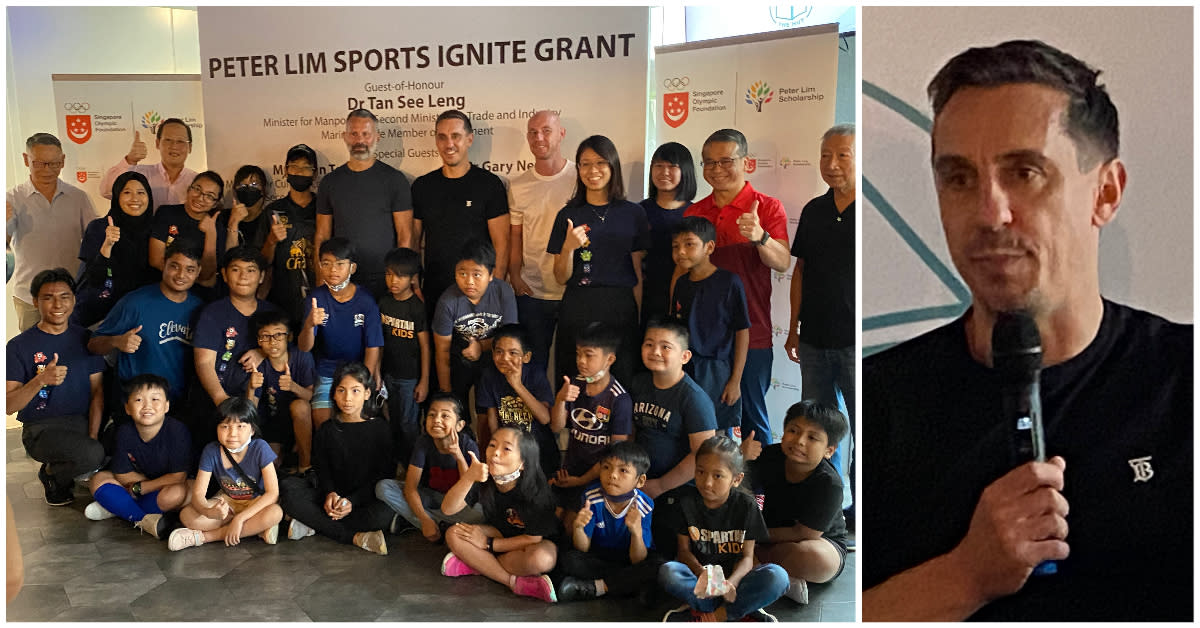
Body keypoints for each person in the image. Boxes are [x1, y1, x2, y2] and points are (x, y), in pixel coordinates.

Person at [862, 40, 1192, 621]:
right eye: (959, 178)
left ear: (1106, 192)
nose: (991, 213)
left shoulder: (1180, 380)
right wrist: (964, 575)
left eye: (1026, 173)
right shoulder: (875, 401)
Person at [685, 129, 790, 448]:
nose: (716, 169)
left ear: (748, 162)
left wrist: (759, 236)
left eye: (726, 161)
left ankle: (757, 494)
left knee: (752, 420)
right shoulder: (695, 212)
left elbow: (783, 262)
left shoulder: (767, 207)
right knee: (703, 419)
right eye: (709, 162)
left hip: (752, 333)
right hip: (703, 337)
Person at [784, 123, 857, 520]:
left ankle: (862, 512)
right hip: (814, 340)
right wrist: (793, 326)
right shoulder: (814, 210)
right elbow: (800, 271)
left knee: (865, 429)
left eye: (842, 154)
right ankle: (829, 511)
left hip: (855, 342)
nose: (831, 164)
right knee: (818, 432)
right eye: (826, 155)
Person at [547, 135, 650, 387]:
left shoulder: (633, 213)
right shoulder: (568, 214)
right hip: (579, 305)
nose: (593, 170)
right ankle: (576, 427)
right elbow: (560, 277)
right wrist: (569, 248)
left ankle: (621, 427)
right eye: (585, 164)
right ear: (578, 169)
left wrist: (639, 316)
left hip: (620, 307)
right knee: (576, 377)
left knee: (622, 376)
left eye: (601, 163)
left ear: (613, 166)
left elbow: (637, 271)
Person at [658, 436, 788, 622]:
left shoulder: (747, 506)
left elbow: (747, 557)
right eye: (701, 472)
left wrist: (731, 583)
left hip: (736, 583)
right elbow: (683, 552)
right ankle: (733, 610)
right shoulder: (685, 502)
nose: (707, 482)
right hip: (700, 581)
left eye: (717, 475)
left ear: (736, 479)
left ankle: (718, 614)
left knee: (778, 577)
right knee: (668, 572)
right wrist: (701, 573)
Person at [6, 269, 106, 505]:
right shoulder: (19, 346)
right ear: (35, 302)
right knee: (93, 455)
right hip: (41, 429)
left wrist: (92, 437)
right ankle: (51, 474)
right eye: (48, 298)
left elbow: (97, 393)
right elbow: (9, 405)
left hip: (80, 422)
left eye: (64, 296)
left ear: (74, 299)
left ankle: (71, 472)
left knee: (107, 447)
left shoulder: (86, 339)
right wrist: (40, 379)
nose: (57, 304)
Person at [279, 362, 395, 555]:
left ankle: (315, 524)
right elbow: (322, 470)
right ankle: (355, 537)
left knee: (384, 512)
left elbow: (383, 476)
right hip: (331, 500)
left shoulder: (380, 429)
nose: (347, 398)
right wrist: (330, 494)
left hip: (363, 500)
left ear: (367, 393)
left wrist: (352, 501)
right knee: (289, 491)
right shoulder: (327, 429)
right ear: (333, 393)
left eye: (355, 391)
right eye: (341, 390)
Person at [741, 400, 850, 605]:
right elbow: (734, 486)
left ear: (829, 450)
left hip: (817, 542)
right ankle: (778, 577)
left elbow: (804, 534)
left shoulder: (829, 483)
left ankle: (760, 568)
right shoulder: (770, 456)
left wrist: (752, 537)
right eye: (793, 430)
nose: (799, 441)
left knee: (815, 559)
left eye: (812, 437)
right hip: (769, 536)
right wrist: (740, 457)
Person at [440, 426, 560, 603]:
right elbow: (448, 509)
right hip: (498, 536)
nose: (495, 453)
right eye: (492, 445)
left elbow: (533, 539)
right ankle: (511, 581)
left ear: (523, 462)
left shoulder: (536, 491)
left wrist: (488, 545)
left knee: (543, 559)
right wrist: (468, 478)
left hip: (530, 545)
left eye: (506, 449)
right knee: (453, 533)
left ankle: (479, 563)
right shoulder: (484, 476)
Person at [412, 109, 511, 319]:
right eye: (442, 137)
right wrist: (412, 277)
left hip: (479, 291)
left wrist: (496, 286)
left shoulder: (490, 185)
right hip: (434, 289)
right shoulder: (422, 186)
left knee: (477, 351)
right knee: (439, 350)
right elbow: (413, 240)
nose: (449, 144)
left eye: (455, 136)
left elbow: (501, 243)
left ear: (469, 139)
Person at [630, 318, 716, 555]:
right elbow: (631, 433)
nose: (655, 352)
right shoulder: (639, 383)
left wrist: (659, 486)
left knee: (660, 552)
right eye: (649, 344)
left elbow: (704, 456)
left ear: (684, 357)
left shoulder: (694, 399)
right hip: (638, 482)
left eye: (665, 347)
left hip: (676, 492)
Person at [314, 109, 413, 299]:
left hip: (385, 281)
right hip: (341, 279)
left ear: (377, 137)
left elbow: (405, 236)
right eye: (354, 134)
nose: (360, 140)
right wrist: (321, 279)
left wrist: (401, 280)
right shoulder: (330, 182)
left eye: (366, 134)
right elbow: (321, 236)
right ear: (345, 137)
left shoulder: (394, 180)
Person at [89, 242, 204, 404]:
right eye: (174, 266)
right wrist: (116, 341)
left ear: (198, 272)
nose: (181, 275)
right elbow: (93, 345)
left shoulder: (200, 309)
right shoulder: (135, 302)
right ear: (163, 264)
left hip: (179, 404)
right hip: (136, 403)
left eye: (190, 269)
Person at [84, 374, 192, 540]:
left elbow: (178, 477)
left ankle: (118, 507)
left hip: (163, 486)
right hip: (139, 483)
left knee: (176, 494)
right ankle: (144, 521)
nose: (147, 406)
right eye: (139, 400)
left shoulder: (177, 431)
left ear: (166, 406)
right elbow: (121, 473)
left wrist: (141, 488)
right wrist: (139, 485)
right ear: (127, 408)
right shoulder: (125, 432)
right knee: (97, 479)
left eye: (155, 399)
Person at [7, 133, 97, 331]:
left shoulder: (78, 198)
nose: (47, 171)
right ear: (25, 159)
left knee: (73, 351)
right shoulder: (11, 198)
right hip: (29, 297)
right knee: (36, 358)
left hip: (71, 295)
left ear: (63, 161)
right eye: (39, 164)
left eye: (54, 164)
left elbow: (95, 242)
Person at [669, 216, 750, 438]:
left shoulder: (729, 282)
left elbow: (742, 332)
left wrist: (735, 380)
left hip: (716, 371)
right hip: (684, 368)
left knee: (716, 432)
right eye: (675, 246)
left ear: (709, 247)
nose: (681, 252)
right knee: (684, 427)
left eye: (689, 244)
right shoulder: (681, 284)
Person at [168, 397, 284, 550]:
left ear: (252, 429)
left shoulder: (260, 448)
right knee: (187, 516)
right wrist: (209, 512)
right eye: (225, 426)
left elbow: (272, 493)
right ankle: (254, 529)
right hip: (228, 502)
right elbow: (198, 495)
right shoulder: (211, 451)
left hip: (256, 503)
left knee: (275, 513)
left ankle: (204, 537)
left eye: (240, 426)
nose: (232, 434)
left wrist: (240, 519)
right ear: (216, 428)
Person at [508, 110, 575, 367]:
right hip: (532, 293)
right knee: (532, 367)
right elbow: (516, 236)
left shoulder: (581, 177)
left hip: (572, 291)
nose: (539, 137)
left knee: (571, 367)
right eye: (533, 132)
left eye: (546, 130)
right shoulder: (518, 185)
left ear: (561, 134)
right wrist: (515, 275)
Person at [556, 440, 660, 603]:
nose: (612, 475)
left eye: (623, 470)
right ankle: (623, 586)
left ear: (640, 481)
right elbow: (583, 548)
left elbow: (638, 559)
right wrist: (578, 528)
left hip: (628, 558)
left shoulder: (644, 505)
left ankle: (595, 588)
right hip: (599, 557)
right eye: (606, 467)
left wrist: (636, 533)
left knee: (657, 566)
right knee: (569, 559)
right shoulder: (592, 497)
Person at [375, 393, 486, 543]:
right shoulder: (424, 442)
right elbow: (411, 487)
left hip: (459, 505)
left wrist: (458, 455)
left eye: (445, 416)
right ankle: (436, 525)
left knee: (482, 515)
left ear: (459, 425)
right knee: (383, 487)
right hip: (432, 497)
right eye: (432, 415)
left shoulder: (468, 445)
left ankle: (417, 522)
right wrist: (424, 519)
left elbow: (470, 491)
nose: (437, 420)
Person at [548, 322, 632, 518]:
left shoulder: (619, 398)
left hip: (599, 477)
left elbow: (616, 453)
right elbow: (556, 426)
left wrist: (581, 480)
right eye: (578, 354)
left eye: (589, 355)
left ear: (609, 359)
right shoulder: (575, 383)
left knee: (573, 524)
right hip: (569, 470)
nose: (581, 361)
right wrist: (561, 399)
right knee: (551, 515)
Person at [298, 237, 385, 428]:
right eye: (327, 264)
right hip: (327, 372)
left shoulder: (366, 301)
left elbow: (373, 348)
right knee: (323, 422)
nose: (333, 270)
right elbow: (305, 347)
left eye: (340, 264)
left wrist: (365, 384)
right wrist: (309, 325)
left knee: (358, 422)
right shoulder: (315, 298)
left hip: (357, 373)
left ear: (352, 268)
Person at [431, 238, 518, 421]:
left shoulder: (503, 292)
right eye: (462, 273)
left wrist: (481, 346)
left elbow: (511, 339)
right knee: (457, 410)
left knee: (488, 411)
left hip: (493, 357)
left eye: (477, 274)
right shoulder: (448, 302)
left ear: (491, 274)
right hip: (459, 359)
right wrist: (447, 394)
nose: (469, 281)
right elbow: (442, 351)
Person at [191, 246, 279, 416]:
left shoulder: (274, 314)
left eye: (251, 270)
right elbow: (204, 362)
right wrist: (222, 401)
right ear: (224, 275)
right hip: (219, 404)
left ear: (261, 276)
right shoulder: (213, 313)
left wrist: (264, 351)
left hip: (263, 405)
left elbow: (287, 351)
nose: (243, 276)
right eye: (235, 269)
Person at [231, 310, 316, 473]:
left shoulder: (301, 357)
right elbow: (251, 411)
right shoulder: (259, 364)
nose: (272, 342)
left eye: (278, 335)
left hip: (300, 420)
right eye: (266, 336)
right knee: (272, 465)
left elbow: (311, 397)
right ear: (259, 341)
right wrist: (252, 387)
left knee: (300, 406)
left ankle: (305, 467)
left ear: (289, 336)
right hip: (273, 423)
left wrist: (293, 386)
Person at [73, 171, 159, 328]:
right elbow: (93, 278)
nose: (135, 198)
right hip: (100, 316)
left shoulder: (156, 230)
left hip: (143, 316)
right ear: (117, 196)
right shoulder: (99, 228)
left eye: (141, 192)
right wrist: (107, 245)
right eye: (127, 192)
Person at [475, 325, 556, 478]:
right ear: (492, 354)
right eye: (499, 352)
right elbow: (492, 421)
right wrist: (494, 453)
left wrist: (517, 385)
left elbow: (545, 418)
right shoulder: (489, 376)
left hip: (538, 451)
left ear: (526, 357)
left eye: (513, 353)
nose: (505, 358)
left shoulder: (535, 375)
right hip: (508, 452)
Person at [377, 247, 430, 464]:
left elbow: (426, 347)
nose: (393, 281)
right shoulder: (383, 302)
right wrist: (377, 373)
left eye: (400, 275)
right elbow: (378, 342)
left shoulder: (416, 308)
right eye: (389, 274)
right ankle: (394, 466)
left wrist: (424, 381)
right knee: (391, 421)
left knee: (409, 425)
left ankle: (414, 468)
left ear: (412, 278)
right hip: (388, 374)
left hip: (410, 378)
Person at [261, 144, 319, 329]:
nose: (299, 172)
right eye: (294, 166)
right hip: (283, 301)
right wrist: (271, 240)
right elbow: (262, 261)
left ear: (315, 174)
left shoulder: (325, 209)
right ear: (285, 171)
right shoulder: (273, 211)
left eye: (306, 168)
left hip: (319, 297)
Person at [640, 142, 697, 325]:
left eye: (672, 166)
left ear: (685, 171)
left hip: (686, 299)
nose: (664, 172)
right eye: (658, 166)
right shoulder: (638, 211)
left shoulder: (697, 213)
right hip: (646, 298)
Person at [147, 170, 227, 288]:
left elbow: (206, 274)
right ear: (189, 189)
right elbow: (155, 260)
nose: (200, 198)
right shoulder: (166, 213)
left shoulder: (217, 228)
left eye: (209, 196)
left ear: (215, 204)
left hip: (198, 292)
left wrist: (211, 234)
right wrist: (184, 279)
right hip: (161, 285)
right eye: (197, 189)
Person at [99, 118, 197, 212]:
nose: (174, 146)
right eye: (168, 140)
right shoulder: (139, 174)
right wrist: (130, 160)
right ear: (157, 143)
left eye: (180, 141)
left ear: (190, 147)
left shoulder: (197, 182)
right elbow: (107, 191)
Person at [227, 164, 272, 251]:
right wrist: (233, 223)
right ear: (235, 189)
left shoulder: (268, 219)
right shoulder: (224, 217)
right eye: (242, 185)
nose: (248, 188)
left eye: (254, 184)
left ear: (263, 190)